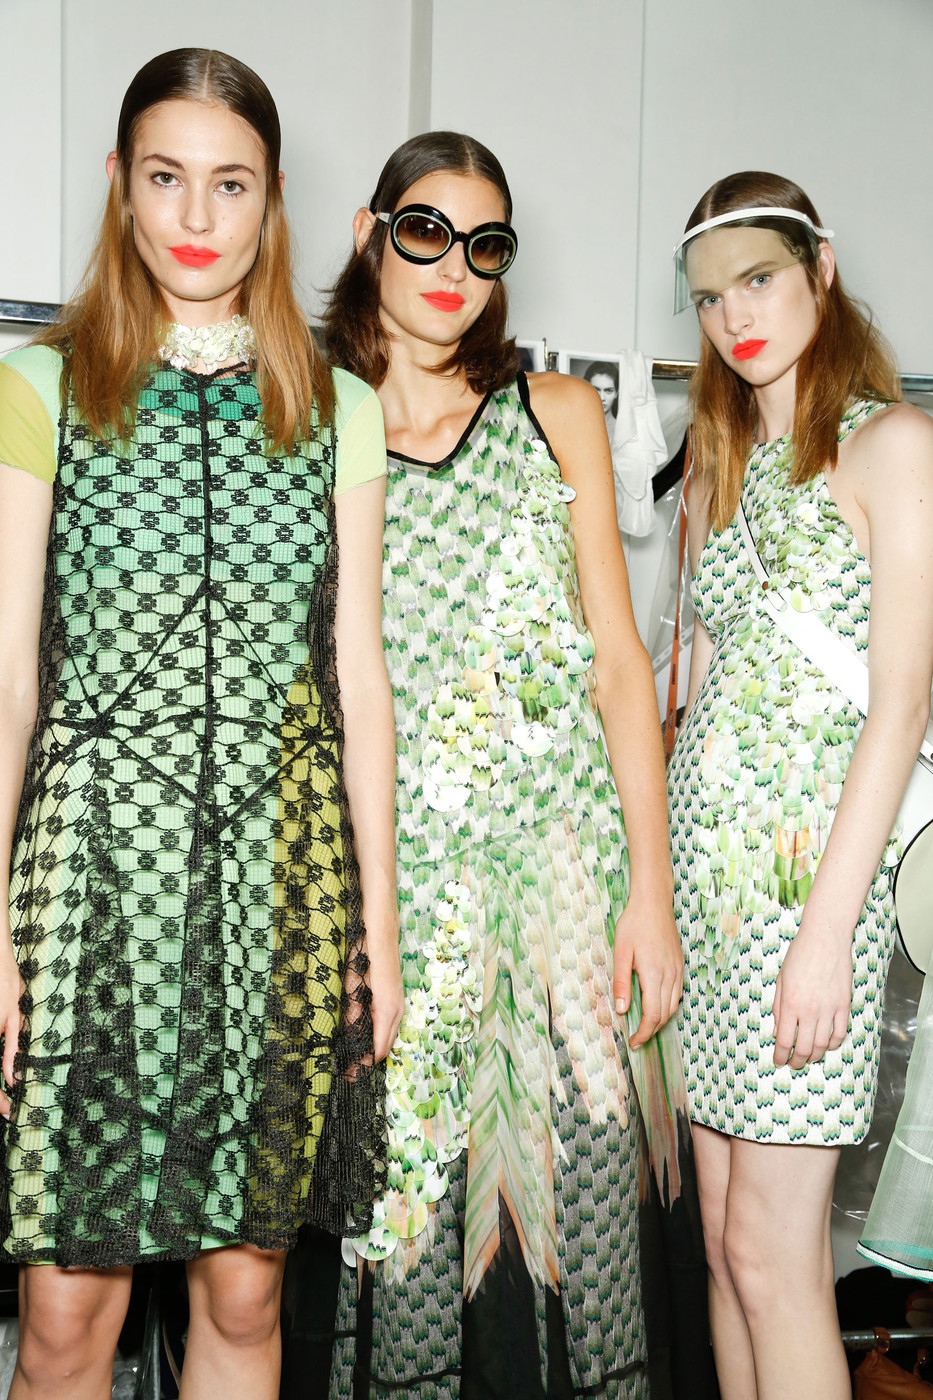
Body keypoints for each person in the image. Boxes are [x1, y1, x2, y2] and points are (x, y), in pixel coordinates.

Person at [0, 48, 401, 1400]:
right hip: (88, 894)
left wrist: (378, 931)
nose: (195, 214)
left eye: (231, 185)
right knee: (68, 1317)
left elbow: (356, 681)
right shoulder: (43, 386)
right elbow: (8, 677)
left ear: (272, 200)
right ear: (121, 184)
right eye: (167, 177)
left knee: (244, 1293)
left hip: (275, 898)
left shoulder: (338, 408)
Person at [321, 131, 693, 1400]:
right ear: (371, 233)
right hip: (401, 897)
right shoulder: (317, 425)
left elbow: (620, 665)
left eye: (486, 246)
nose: (454, 269)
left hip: (566, 892)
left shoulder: (556, 413)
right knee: (407, 1236)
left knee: (587, 1232)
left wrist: (652, 890)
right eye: (426, 231)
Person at [667, 170, 933, 1400]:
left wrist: (828, 933)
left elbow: (902, 704)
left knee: (778, 1261)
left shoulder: (893, 446)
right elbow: (702, 690)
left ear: (821, 270)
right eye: (709, 296)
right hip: (710, 906)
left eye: (760, 278)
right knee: (728, 1252)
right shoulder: (725, 466)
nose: (735, 316)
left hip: (805, 906)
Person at [583, 358, 619, 443]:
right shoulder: (575, 426)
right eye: (596, 390)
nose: (602, 398)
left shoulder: (622, 431)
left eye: (608, 391)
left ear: (616, 393)